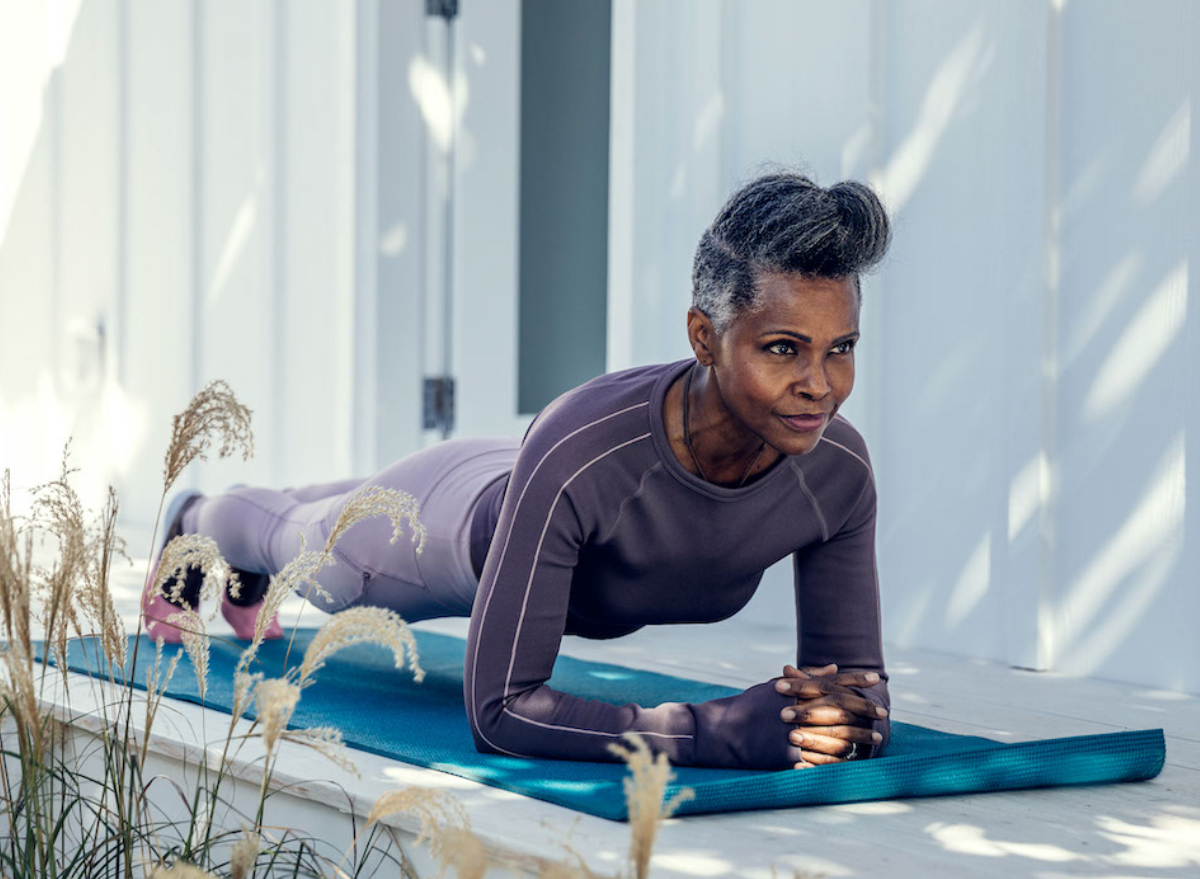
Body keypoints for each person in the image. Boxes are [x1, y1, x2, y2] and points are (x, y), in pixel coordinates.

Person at [142, 171, 892, 771]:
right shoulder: (585, 449)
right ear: (705, 336)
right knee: (304, 542)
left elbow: (860, 690)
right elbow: (501, 711)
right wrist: (716, 731)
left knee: (324, 505)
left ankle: (238, 555)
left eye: (841, 348)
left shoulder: (837, 473)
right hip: (443, 524)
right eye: (784, 348)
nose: (819, 384)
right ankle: (195, 519)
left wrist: (836, 717)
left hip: (532, 478)